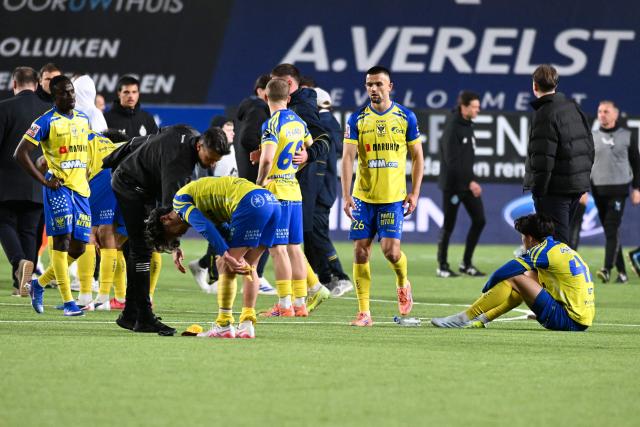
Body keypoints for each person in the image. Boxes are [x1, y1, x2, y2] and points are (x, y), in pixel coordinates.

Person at [106, 125, 229, 335]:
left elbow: (147, 139)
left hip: (136, 182)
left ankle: (129, 314)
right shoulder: (179, 165)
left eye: (218, 159)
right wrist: (173, 246)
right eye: (211, 157)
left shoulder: (187, 131)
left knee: (136, 248)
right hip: (131, 187)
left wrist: (113, 157)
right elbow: (169, 216)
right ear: (200, 145)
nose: (213, 163)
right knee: (143, 247)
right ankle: (143, 317)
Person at [146, 177, 281, 338]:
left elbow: (205, 226)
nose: (177, 237)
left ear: (165, 219)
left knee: (224, 263)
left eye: (170, 235)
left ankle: (223, 325)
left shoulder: (180, 203)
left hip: (250, 202)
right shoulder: (201, 201)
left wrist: (225, 254)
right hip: (271, 202)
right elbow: (221, 228)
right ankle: (246, 325)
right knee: (250, 266)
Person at [341, 65, 424, 327]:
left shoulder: (405, 117)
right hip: (364, 197)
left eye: (378, 84)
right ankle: (364, 312)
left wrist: (415, 192)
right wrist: (346, 195)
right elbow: (347, 159)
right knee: (360, 252)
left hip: (392, 198)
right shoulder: (356, 120)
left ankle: (402, 282)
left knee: (391, 252)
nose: (373, 89)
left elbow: (418, 156)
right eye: (369, 84)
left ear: (390, 86)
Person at [431, 213, 595, 332]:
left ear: (530, 238)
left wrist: (488, 285)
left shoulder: (542, 251)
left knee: (514, 278)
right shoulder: (559, 247)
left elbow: (508, 270)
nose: (522, 241)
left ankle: (463, 318)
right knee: (527, 278)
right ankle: (482, 319)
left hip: (566, 320)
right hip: (582, 320)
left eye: (523, 237)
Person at [14, 75, 91, 316]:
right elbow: (20, 153)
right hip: (58, 189)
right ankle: (69, 303)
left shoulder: (83, 118)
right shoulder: (46, 121)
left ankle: (39, 284)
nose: (70, 96)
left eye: (71, 91)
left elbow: (83, 150)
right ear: (53, 97)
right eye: (64, 93)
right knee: (62, 241)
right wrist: (44, 180)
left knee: (79, 248)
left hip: (81, 190)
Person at [271, 63, 332, 311]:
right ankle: (304, 295)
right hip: (291, 182)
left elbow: (324, 138)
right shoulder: (293, 109)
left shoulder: (301, 107)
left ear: (289, 84)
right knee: (288, 244)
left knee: (279, 245)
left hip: (293, 181)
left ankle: (291, 299)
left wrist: (308, 155)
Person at [257, 78, 315, 317]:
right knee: (294, 248)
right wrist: (300, 161)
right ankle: (300, 302)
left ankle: (284, 304)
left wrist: (259, 183)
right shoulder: (299, 122)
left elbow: (268, 159)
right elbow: (308, 148)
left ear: (265, 98)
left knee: (277, 249)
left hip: (276, 190)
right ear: (288, 98)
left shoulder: (271, 124)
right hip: (294, 189)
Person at [524, 64, 594, 245]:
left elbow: (543, 159)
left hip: (555, 190)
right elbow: (589, 146)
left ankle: (566, 274)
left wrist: (538, 192)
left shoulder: (544, 113)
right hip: (575, 186)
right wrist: (582, 181)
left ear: (534, 86)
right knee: (556, 242)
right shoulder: (573, 107)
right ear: (556, 84)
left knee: (557, 244)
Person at [0, 67, 50, 296]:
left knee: (4, 223)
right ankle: (25, 285)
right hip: (38, 183)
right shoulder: (48, 111)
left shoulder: (4, 108)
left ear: (14, 84)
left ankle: (20, 262)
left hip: (7, 183)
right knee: (29, 231)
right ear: (37, 84)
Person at [436, 91, 486, 278]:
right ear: (464, 107)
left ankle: (466, 263)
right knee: (449, 224)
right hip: (453, 186)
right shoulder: (452, 127)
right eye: (474, 106)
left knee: (480, 220)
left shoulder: (468, 125)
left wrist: (471, 180)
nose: (477, 110)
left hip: (467, 184)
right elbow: (452, 161)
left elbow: (465, 160)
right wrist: (470, 181)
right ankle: (442, 265)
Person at [590, 100, 640, 283]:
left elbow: (636, 163)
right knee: (611, 231)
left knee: (611, 228)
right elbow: (587, 164)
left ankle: (606, 269)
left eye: (606, 111)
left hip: (619, 190)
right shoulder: (592, 136)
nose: (602, 114)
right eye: (600, 111)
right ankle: (622, 273)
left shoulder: (627, 136)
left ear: (615, 114)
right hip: (598, 190)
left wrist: (637, 188)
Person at [313, 87, 353, 297]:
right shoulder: (333, 124)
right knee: (312, 236)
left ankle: (340, 276)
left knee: (317, 234)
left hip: (320, 191)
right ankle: (324, 278)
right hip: (325, 189)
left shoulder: (323, 125)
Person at [234, 74, 271, 183]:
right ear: (260, 91)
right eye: (271, 89)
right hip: (253, 171)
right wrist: (268, 150)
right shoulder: (258, 110)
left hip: (247, 170)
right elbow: (247, 138)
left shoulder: (250, 109)